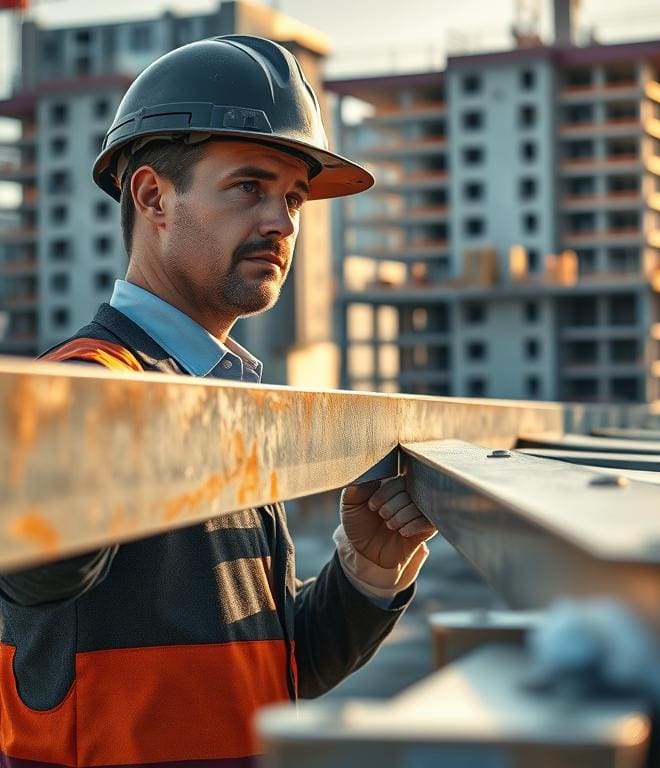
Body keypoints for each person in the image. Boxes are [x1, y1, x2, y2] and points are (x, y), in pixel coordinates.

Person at [0, 35, 437, 766]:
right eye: (249, 187)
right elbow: (35, 568)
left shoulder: (222, 399)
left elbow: (268, 677)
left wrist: (365, 568)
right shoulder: (91, 385)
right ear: (153, 197)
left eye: (293, 198)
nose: (284, 221)